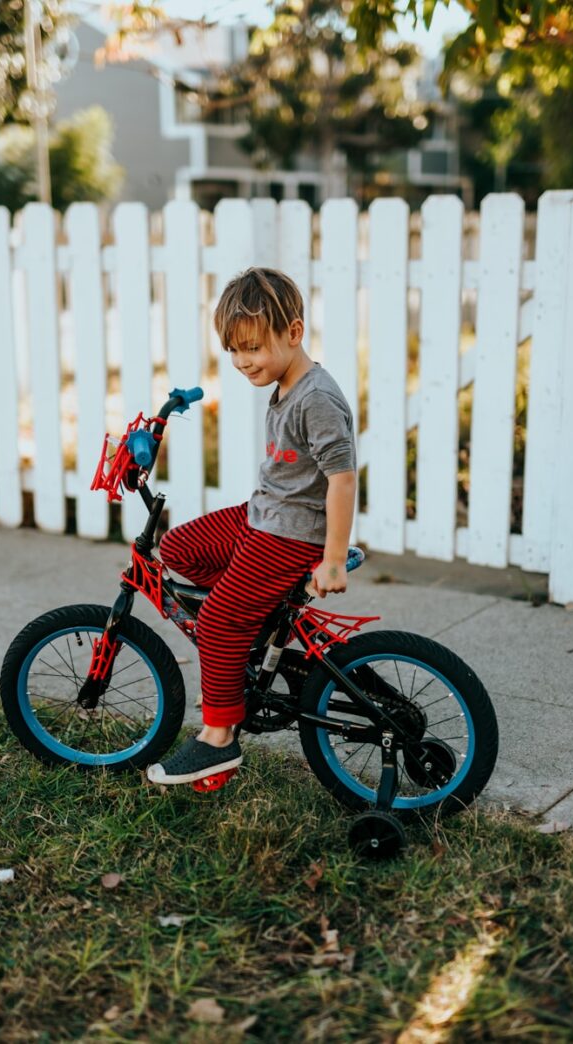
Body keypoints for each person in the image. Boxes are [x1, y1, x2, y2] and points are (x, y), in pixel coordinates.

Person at [147, 267, 357, 785]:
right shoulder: (288, 383)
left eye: (253, 349)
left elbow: (344, 480)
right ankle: (249, 630)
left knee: (217, 621)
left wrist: (332, 558)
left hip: (291, 534)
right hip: (263, 514)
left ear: (294, 332)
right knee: (178, 548)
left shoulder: (317, 399)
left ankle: (218, 739)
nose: (242, 363)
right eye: (235, 350)